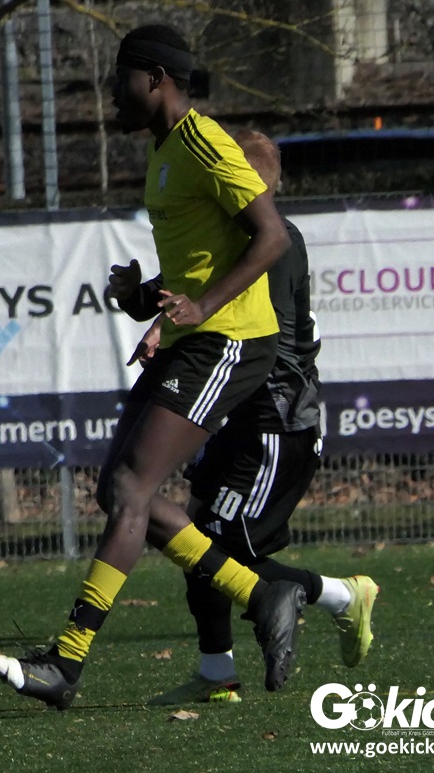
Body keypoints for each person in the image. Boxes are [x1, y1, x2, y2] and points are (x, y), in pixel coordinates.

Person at [0, 25, 307, 710]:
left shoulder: (204, 142)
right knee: (118, 490)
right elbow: (205, 257)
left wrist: (201, 307)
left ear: (155, 79)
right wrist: (146, 297)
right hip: (192, 337)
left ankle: (67, 663)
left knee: (132, 485)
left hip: (232, 340)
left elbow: (272, 236)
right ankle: (260, 593)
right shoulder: (164, 148)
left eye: (119, 78)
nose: (111, 92)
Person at [111, 129, 379, 705]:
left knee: (221, 553)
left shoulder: (273, 240)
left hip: (274, 422)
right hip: (238, 417)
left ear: (244, 183)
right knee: (195, 541)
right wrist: (141, 301)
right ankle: (216, 672)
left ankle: (341, 595)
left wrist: (168, 324)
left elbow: (234, 314)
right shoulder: (236, 234)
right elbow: (189, 290)